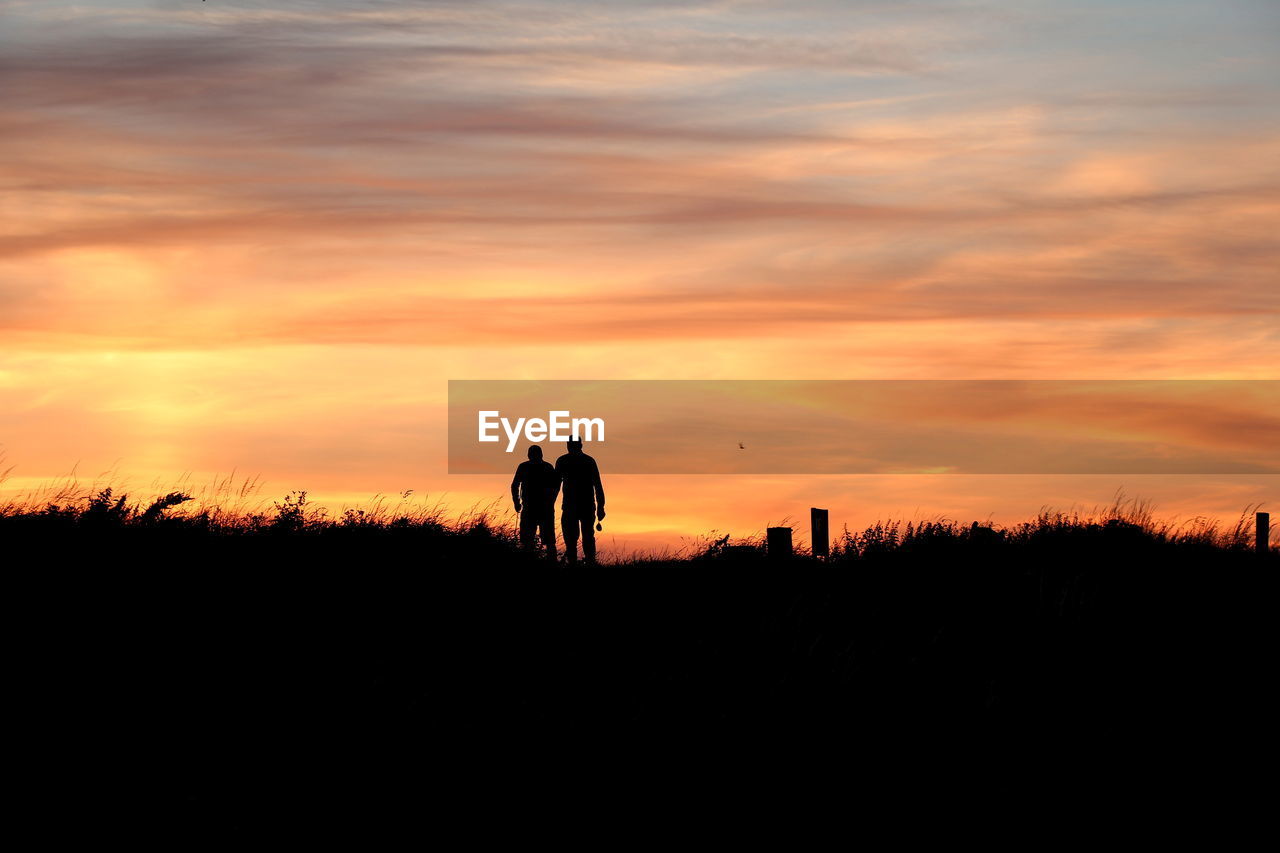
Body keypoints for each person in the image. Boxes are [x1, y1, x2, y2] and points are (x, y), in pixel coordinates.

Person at [554, 436, 605, 565]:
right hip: (581, 505)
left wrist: (601, 506)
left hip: (577, 505)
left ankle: (581, 563)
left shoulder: (564, 461)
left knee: (578, 537)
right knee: (580, 537)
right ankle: (585, 563)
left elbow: (555, 486)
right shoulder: (587, 461)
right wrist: (600, 506)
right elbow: (597, 485)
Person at [510, 445, 559, 559]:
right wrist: (516, 501)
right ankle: (551, 563)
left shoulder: (524, 467)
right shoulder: (547, 467)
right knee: (545, 541)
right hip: (540, 508)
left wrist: (516, 502)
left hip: (535, 508)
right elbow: (556, 486)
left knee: (533, 541)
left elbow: (515, 485)